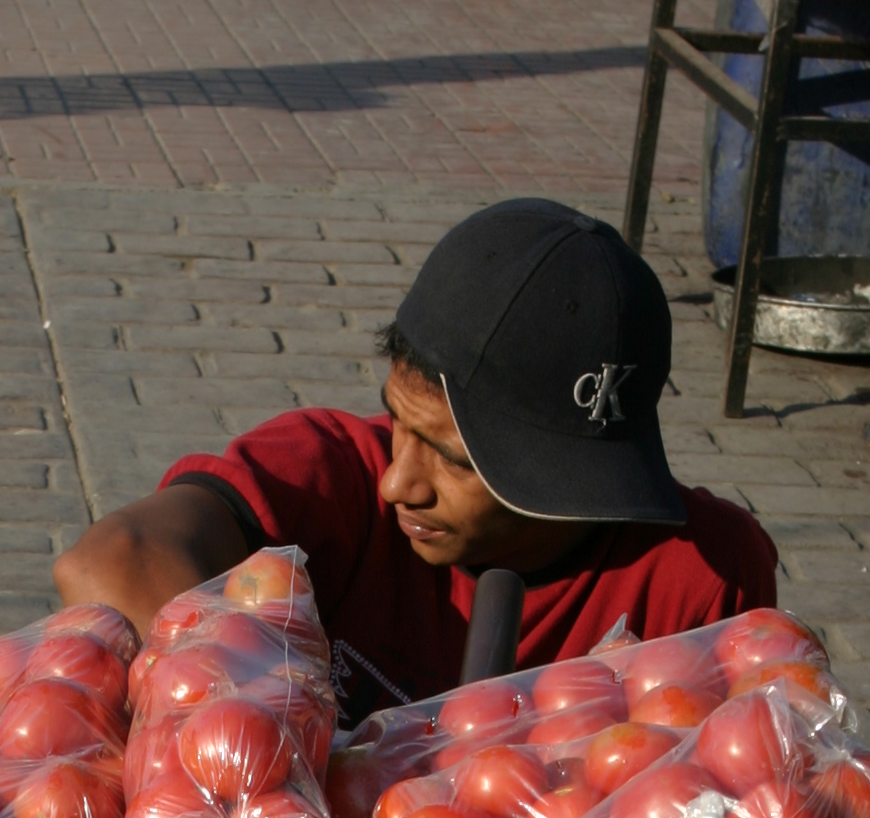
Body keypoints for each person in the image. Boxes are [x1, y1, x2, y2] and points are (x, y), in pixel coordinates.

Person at [54, 199, 778, 726]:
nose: (399, 481)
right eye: (399, 421)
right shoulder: (333, 475)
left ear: (571, 482)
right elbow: (108, 563)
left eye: (454, 460)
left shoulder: (702, 576)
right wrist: (265, 743)